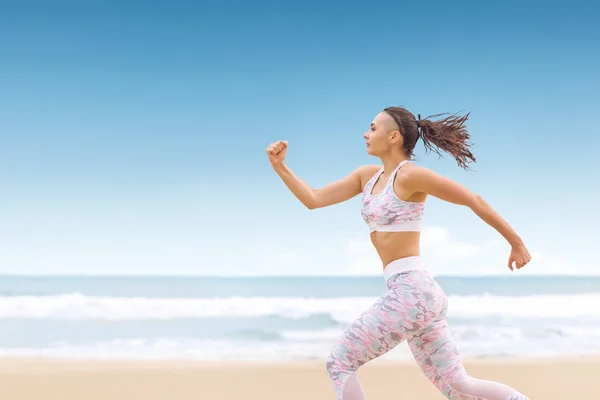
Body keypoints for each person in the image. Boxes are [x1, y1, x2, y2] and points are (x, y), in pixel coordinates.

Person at [265, 106, 532, 400]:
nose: (366, 134)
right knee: (458, 386)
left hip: (411, 291)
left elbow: (473, 199)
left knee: (340, 361)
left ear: (393, 137)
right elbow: (313, 199)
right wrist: (280, 166)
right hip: (417, 294)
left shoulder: (410, 176)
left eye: (373, 128)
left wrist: (516, 243)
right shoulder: (366, 177)